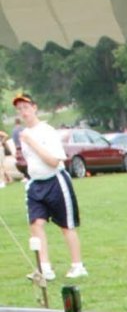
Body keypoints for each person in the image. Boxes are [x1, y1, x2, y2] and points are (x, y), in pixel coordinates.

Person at [12, 92, 87, 281]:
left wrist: (32, 142)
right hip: (36, 184)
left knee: (66, 225)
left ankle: (77, 265)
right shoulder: (23, 135)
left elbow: (53, 161)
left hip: (55, 181)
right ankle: (44, 267)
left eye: (26, 108)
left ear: (34, 108)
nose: (23, 112)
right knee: (36, 224)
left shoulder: (46, 131)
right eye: (20, 109)